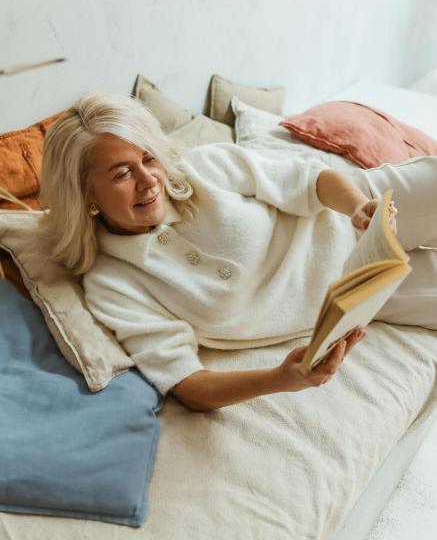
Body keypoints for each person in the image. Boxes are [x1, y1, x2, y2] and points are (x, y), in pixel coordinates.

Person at [39, 93, 437, 412]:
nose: (149, 182)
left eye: (149, 159)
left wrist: (357, 207)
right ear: (85, 194)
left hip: (361, 211)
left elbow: (310, 179)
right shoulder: (113, 285)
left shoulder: (203, 168)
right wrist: (283, 378)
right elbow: (188, 383)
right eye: (122, 173)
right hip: (364, 291)